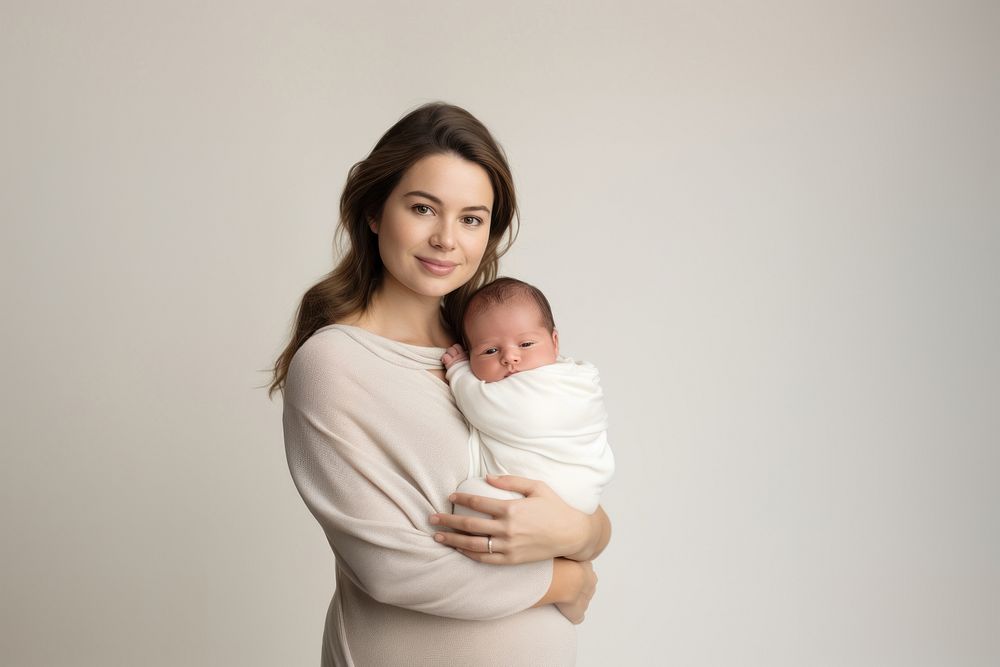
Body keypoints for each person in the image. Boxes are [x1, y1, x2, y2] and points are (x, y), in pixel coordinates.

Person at [270, 102, 612, 666]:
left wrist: (580, 532)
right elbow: (394, 569)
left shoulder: (488, 351)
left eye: (472, 218)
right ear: (375, 211)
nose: (446, 239)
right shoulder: (335, 363)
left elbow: (577, 491)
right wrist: (564, 582)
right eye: (424, 208)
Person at [441, 277, 615, 517]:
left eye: (526, 344)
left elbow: (479, 405)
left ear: (555, 343)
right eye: (490, 350)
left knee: (471, 497)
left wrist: (458, 370)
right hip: (582, 498)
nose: (510, 357)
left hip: (559, 491)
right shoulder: (577, 376)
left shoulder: (556, 387)